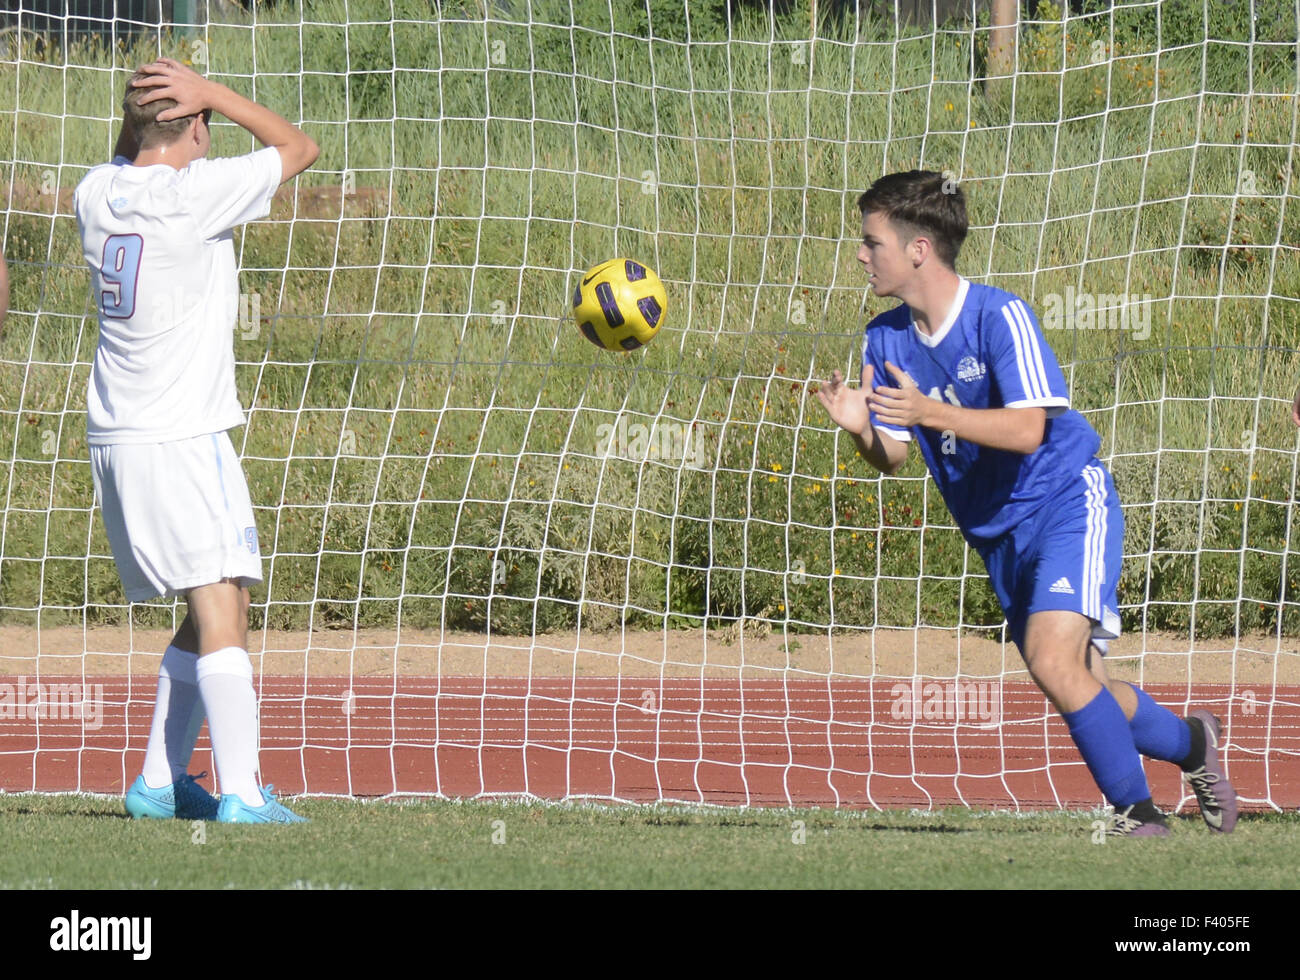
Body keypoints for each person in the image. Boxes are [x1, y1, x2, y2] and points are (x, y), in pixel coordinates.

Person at [817, 170, 1237, 836]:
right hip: (998, 536)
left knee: (1050, 659)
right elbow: (893, 454)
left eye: (872, 242)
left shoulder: (998, 315)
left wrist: (931, 410)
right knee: (1074, 679)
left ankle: (1140, 820)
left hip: (1067, 499)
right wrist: (862, 429)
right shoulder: (884, 339)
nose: (862, 255)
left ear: (919, 248)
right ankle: (1193, 745)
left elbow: (1029, 429)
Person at [74, 58, 319, 823]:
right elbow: (299, 147)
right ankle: (243, 796)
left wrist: (160, 112)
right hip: (181, 432)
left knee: (209, 597)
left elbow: (130, 153)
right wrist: (216, 92)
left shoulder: (95, 192)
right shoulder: (195, 195)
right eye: (203, 117)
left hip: (119, 433)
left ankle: (156, 781)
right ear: (197, 124)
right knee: (224, 602)